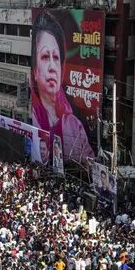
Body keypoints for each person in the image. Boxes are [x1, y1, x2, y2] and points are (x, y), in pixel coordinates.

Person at [31, 12, 94, 163]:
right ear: (34, 70)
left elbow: (89, 165)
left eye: (56, 57)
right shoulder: (31, 116)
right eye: (45, 57)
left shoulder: (74, 125)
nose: (52, 67)